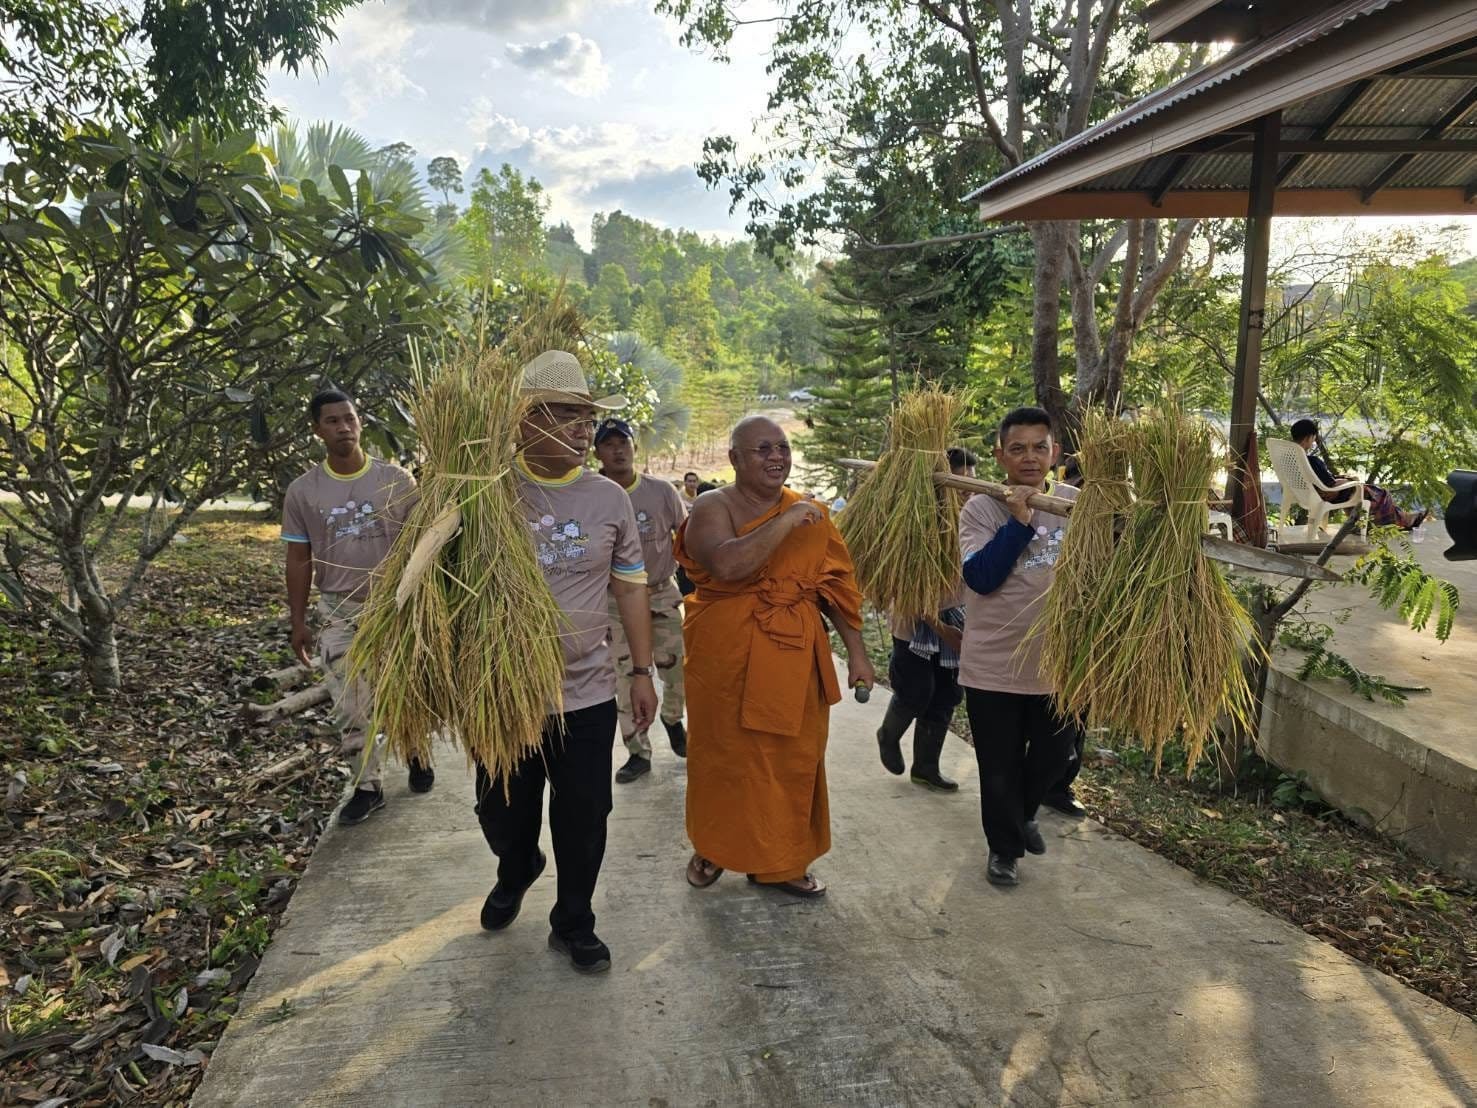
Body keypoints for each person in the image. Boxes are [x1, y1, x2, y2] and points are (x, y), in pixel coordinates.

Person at [475, 350, 659, 975]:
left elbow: (630, 586)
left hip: (585, 691)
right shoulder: (484, 491)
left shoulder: (609, 498)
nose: (583, 430)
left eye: (586, 417)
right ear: (524, 422)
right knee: (501, 809)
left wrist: (641, 671)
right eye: (565, 416)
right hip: (503, 692)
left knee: (585, 814)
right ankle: (517, 865)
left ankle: (573, 920)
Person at [676, 416, 874, 898]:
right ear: (735, 459)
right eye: (762, 449)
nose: (776, 457)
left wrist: (858, 655)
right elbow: (725, 563)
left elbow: (835, 590)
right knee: (725, 759)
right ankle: (716, 848)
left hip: (791, 657)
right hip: (725, 662)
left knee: (792, 759)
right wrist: (785, 522)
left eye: (782, 448)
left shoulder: (812, 515)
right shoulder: (712, 506)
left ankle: (782, 861)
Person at [282, 389, 432, 827]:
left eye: (349, 418)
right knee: (349, 700)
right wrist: (297, 621)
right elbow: (298, 558)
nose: (343, 427)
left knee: (406, 689)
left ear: (360, 422)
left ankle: (418, 751)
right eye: (332, 421)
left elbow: (423, 544)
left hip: (397, 604)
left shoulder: (397, 482)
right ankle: (367, 786)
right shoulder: (303, 492)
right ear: (317, 430)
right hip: (339, 609)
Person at [959, 407, 1080, 888]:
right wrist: (1019, 520)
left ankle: (1025, 811)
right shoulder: (980, 507)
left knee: (1055, 756)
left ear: (1054, 452)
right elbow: (981, 578)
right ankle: (1003, 850)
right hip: (993, 663)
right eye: (1017, 448)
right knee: (999, 766)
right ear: (1000, 456)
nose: (1029, 457)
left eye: (1038, 446)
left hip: (1058, 662)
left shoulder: (1076, 504)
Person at [592, 418, 690, 783]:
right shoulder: (594, 495)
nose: (619, 450)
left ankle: (672, 719)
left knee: (677, 668)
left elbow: (686, 536)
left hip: (661, 593)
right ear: (597, 452)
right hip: (614, 602)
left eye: (624, 443)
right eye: (609, 444)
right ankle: (638, 751)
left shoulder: (661, 491)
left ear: (635, 448)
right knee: (625, 677)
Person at [876, 446, 977, 792]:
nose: (968, 493)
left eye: (972, 486)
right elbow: (907, 585)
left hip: (955, 622)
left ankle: (926, 767)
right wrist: (939, 627)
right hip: (915, 622)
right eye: (960, 486)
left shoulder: (974, 521)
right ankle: (888, 735)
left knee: (947, 695)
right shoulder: (919, 523)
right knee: (916, 690)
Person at [1288, 419, 1426, 531]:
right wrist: (1349, 480)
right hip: (1329, 494)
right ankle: (1403, 520)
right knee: (1380, 493)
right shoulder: (1312, 461)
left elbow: (1320, 480)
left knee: (1362, 491)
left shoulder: (1290, 458)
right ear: (1307, 438)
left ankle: (1400, 519)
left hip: (1308, 493)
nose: (1313, 442)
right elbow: (1329, 485)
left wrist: (1343, 479)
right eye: (1313, 438)